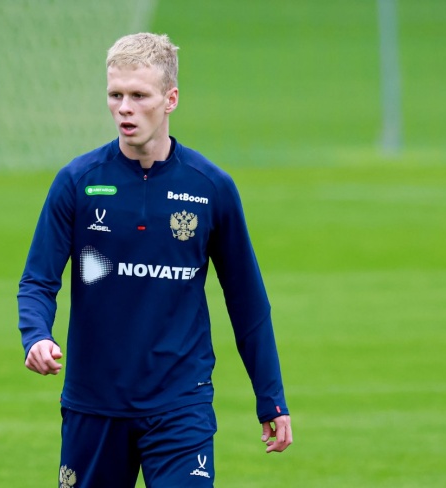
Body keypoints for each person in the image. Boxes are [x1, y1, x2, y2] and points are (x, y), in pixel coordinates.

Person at [17, 32, 292, 488]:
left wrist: (271, 397)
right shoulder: (77, 182)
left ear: (170, 99)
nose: (124, 108)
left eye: (139, 96)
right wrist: (36, 336)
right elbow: (38, 281)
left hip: (181, 402)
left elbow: (247, 302)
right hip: (94, 403)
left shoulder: (210, 188)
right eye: (115, 95)